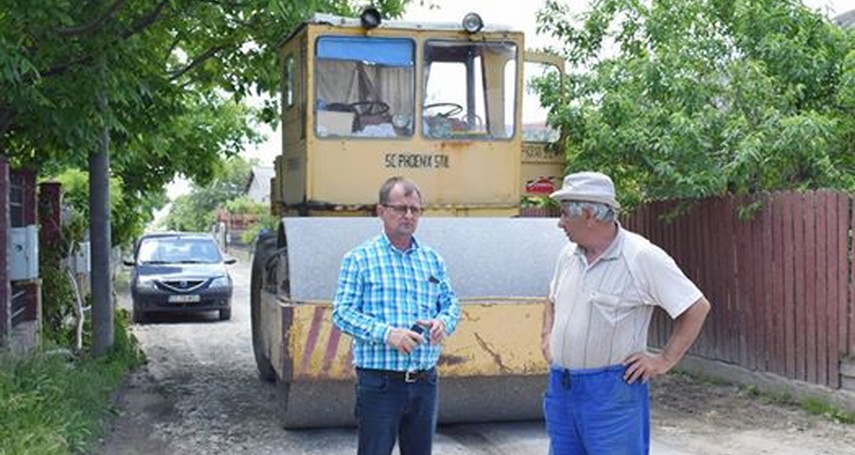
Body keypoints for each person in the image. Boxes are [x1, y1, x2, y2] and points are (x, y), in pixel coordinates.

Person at [541, 171, 711, 455]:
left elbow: (696, 307)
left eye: (564, 214)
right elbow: (551, 297)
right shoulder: (568, 255)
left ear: (588, 215)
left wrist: (664, 360)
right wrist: (547, 335)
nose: (560, 223)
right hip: (562, 387)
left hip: (612, 391)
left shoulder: (641, 256)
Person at [332, 176, 461, 455]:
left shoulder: (432, 260)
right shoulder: (359, 259)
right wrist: (388, 334)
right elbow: (342, 313)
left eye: (415, 209)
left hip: (425, 382)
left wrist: (443, 322)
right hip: (380, 384)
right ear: (381, 211)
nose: (409, 215)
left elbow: (451, 303)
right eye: (401, 208)